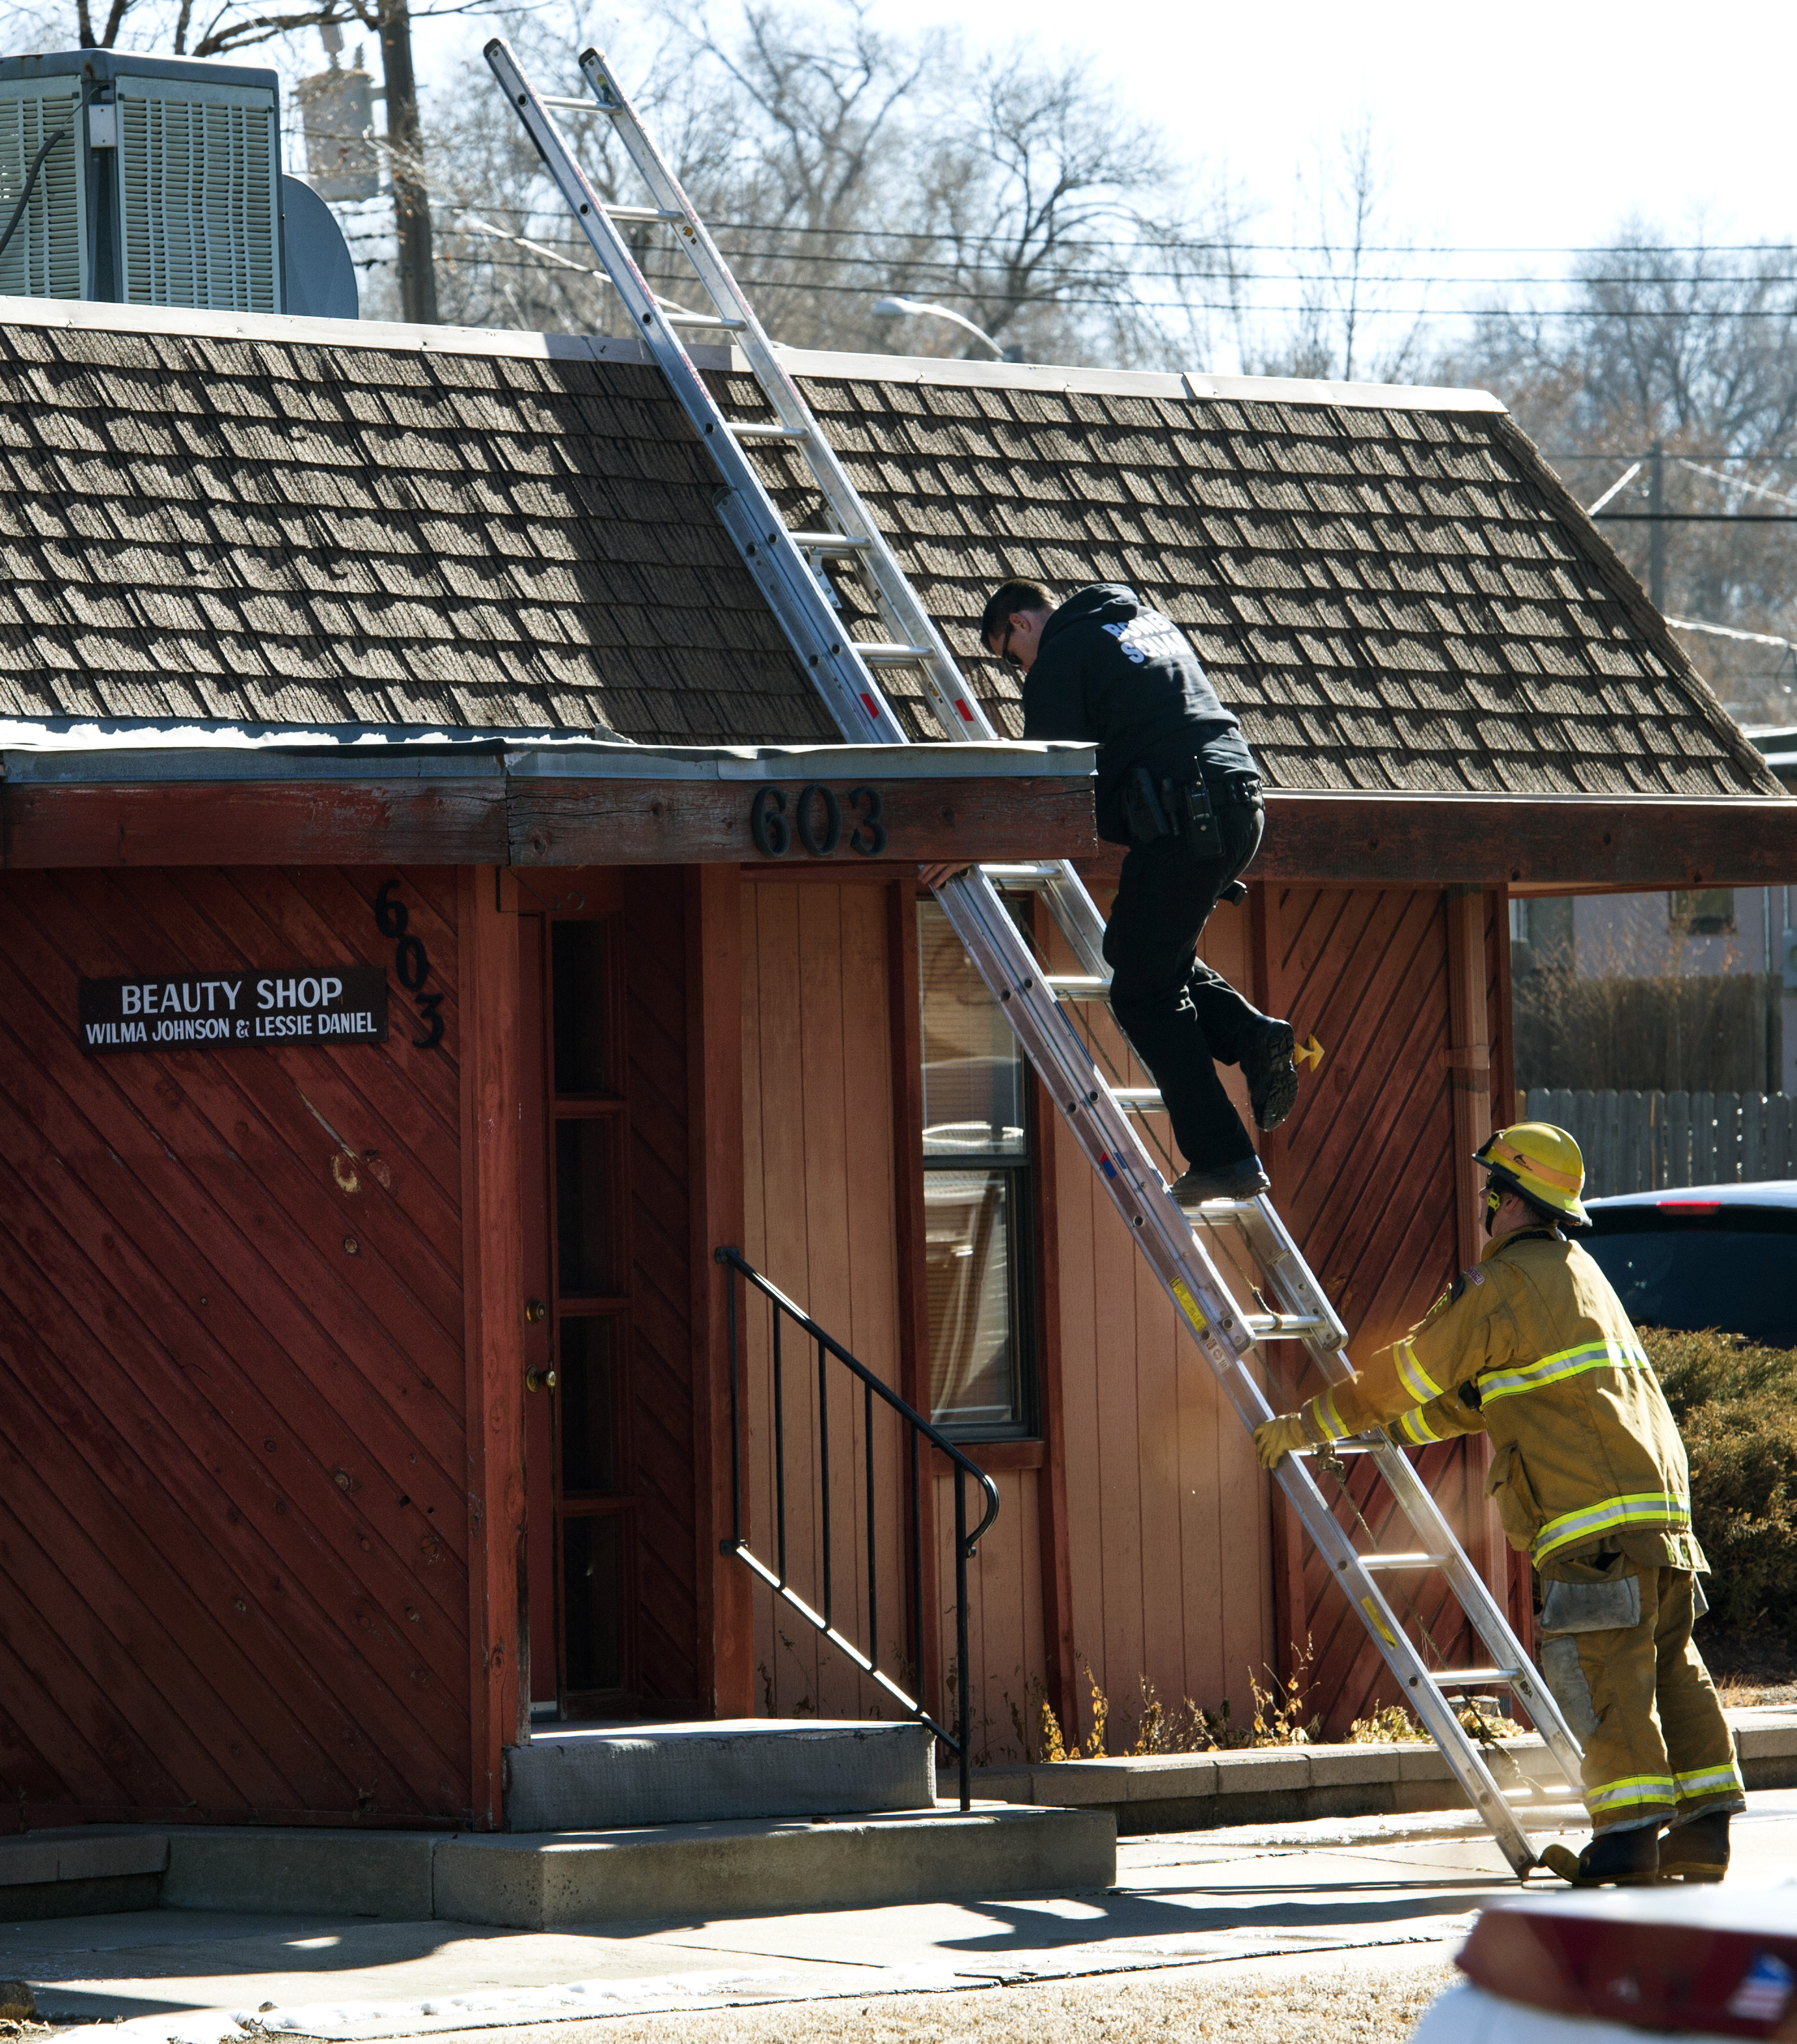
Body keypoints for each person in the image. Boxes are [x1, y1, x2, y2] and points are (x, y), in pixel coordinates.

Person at [1252, 1123, 1746, 1887]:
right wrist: (1393, 1437)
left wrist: (1308, 1423)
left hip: (1592, 1519)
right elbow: (1478, 1398)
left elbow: (1414, 1373)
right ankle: (1703, 1831)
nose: (1485, 1205)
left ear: (1510, 1201)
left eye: (1492, 1191)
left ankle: (1628, 1837)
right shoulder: (1577, 1274)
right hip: (1659, 1515)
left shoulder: (1502, 1285)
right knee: (1668, 1661)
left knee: (1602, 1670)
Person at [976, 578, 1298, 1206]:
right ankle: (1250, 1036)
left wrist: (964, 850)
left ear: (1020, 623)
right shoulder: (1143, 622)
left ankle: (1223, 1156)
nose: (1021, 672)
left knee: (1142, 993)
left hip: (1186, 822)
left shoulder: (1061, 655)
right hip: (1237, 804)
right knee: (1133, 947)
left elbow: (1045, 775)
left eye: (1012, 659)